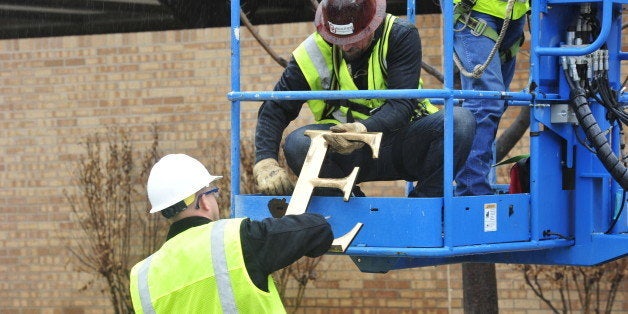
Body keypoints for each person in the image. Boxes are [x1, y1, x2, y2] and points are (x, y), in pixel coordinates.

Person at [253, 0, 476, 198]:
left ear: (373, 24)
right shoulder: (312, 51)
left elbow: (401, 106)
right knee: (298, 143)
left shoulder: (400, 35)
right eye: (338, 39)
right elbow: (276, 107)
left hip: (404, 141)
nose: (347, 46)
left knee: (460, 122)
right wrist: (264, 160)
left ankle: (423, 207)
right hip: (347, 149)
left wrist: (362, 129)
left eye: (355, 38)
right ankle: (352, 206)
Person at [129, 154, 333, 313]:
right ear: (203, 201)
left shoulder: (142, 276)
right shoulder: (234, 240)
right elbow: (317, 228)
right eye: (213, 193)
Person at [450, 0, 529, 196]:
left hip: (515, 14)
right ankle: (472, 192)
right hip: (477, 9)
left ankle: (474, 184)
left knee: (496, 102)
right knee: (486, 101)